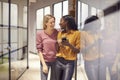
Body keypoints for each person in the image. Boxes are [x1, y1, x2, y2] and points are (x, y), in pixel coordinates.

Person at [55, 15, 80, 80]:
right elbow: (57, 50)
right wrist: (58, 44)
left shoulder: (77, 33)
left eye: (61, 21)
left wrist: (69, 45)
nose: (59, 23)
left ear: (66, 22)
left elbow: (78, 51)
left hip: (69, 63)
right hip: (58, 61)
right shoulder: (60, 33)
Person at [80, 15, 106, 80]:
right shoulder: (83, 34)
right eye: (98, 23)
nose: (100, 25)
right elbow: (82, 50)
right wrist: (94, 44)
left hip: (101, 60)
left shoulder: (99, 33)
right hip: (90, 62)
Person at [36, 14, 58, 80]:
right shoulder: (40, 33)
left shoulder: (57, 32)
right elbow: (39, 50)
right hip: (45, 61)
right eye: (51, 22)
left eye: (54, 22)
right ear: (46, 23)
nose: (53, 24)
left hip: (56, 61)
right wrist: (44, 64)